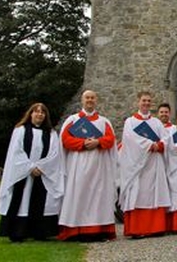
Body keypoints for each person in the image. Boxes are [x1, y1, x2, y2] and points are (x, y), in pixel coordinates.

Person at [0, 103, 63, 242]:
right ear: (30, 114)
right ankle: (17, 232)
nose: (39, 114)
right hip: (24, 174)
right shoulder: (20, 130)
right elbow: (16, 152)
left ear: (46, 116)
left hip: (43, 174)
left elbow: (54, 153)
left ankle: (41, 232)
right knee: (22, 200)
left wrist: (41, 167)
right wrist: (30, 167)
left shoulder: (51, 133)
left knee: (42, 201)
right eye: (36, 112)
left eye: (42, 112)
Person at [58, 90, 117, 241]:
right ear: (82, 100)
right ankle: (76, 230)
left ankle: (97, 230)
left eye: (92, 98)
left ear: (96, 100)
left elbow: (110, 140)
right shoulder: (73, 120)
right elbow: (65, 140)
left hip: (98, 167)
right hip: (78, 165)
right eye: (87, 98)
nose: (90, 100)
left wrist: (98, 142)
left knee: (98, 197)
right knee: (78, 195)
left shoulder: (104, 122)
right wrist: (83, 143)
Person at [118, 92, 171, 238]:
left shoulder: (156, 122)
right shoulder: (130, 121)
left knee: (154, 193)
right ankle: (137, 229)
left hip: (154, 163)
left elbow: (167, 139)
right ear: (138, 102)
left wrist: (159, 145)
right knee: (138, 194)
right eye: (144, 101)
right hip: (138, 165)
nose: (146, 103)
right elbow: (129, 139)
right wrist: (149, 145)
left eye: (148, 101)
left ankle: (155, 228)